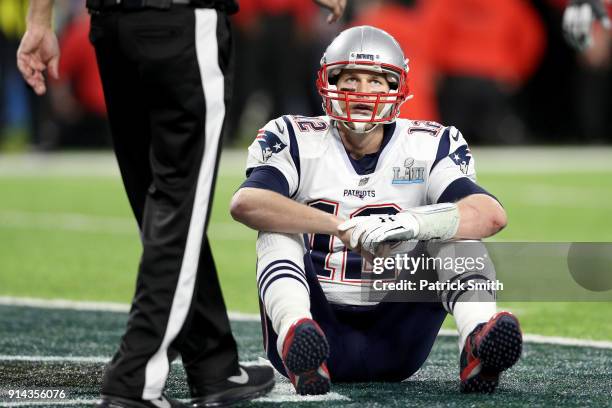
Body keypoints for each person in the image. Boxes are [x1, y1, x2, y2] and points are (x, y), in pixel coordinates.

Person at [16, 0, 346, 407]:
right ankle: (134, 380)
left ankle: (214, 364)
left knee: (159, 204)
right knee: (177, 211)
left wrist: (39, 18)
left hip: (110, 25)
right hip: (181, 23)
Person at [230, 26, 523, 395]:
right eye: (350, 79)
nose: (362, 92)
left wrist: (413, 223)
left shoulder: (429, 143)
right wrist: (341, 226)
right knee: (277, 229)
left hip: (396, 334)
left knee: (454, 231)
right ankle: (295, 332)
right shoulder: (294, 136)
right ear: (328, 82)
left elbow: (489, 213)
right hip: (317, 323)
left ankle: (479, 338)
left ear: (396, 89)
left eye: (375, 81)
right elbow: (247, 202)